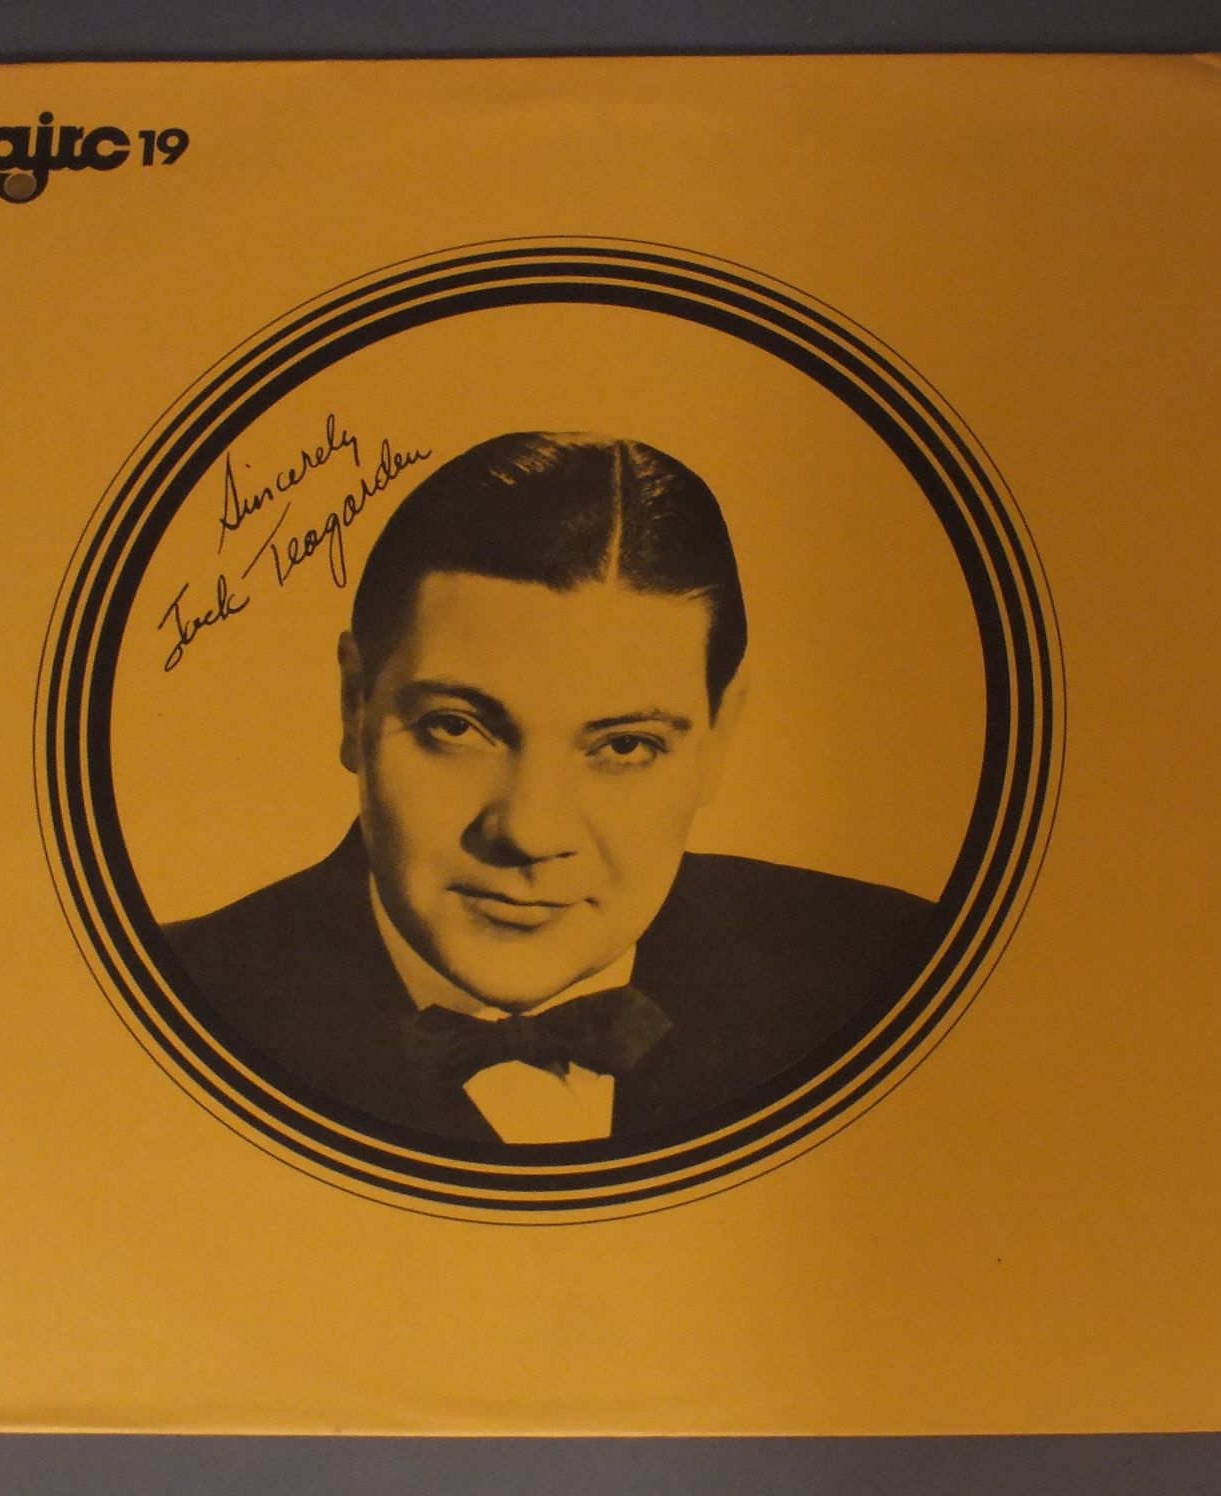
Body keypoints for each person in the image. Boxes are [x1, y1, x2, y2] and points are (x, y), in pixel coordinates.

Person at [164, 431, 937, 1147]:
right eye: (457, 728)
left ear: (717, 737)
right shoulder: (174, 997)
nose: (530, 832)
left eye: (625, 746)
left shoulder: (893, 970)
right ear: (352, 704)